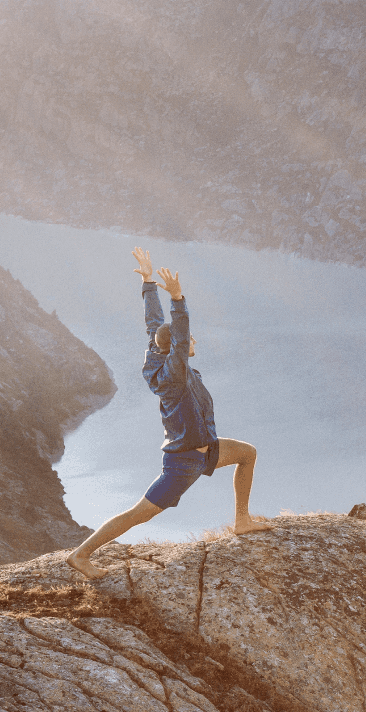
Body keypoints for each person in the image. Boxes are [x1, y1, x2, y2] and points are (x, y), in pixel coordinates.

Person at [67, 247, 272, 580]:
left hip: (205, 448)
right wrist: (178, 298)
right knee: (139, 514)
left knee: (247, 453)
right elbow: (177, 329)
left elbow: (154, 324)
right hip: (185, 462)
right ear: (177, 343)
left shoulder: (156, 351)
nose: (193, 341)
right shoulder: (174, 373)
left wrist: (148, 282)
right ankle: (81, 555)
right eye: (188, 338)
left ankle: (242, 520)